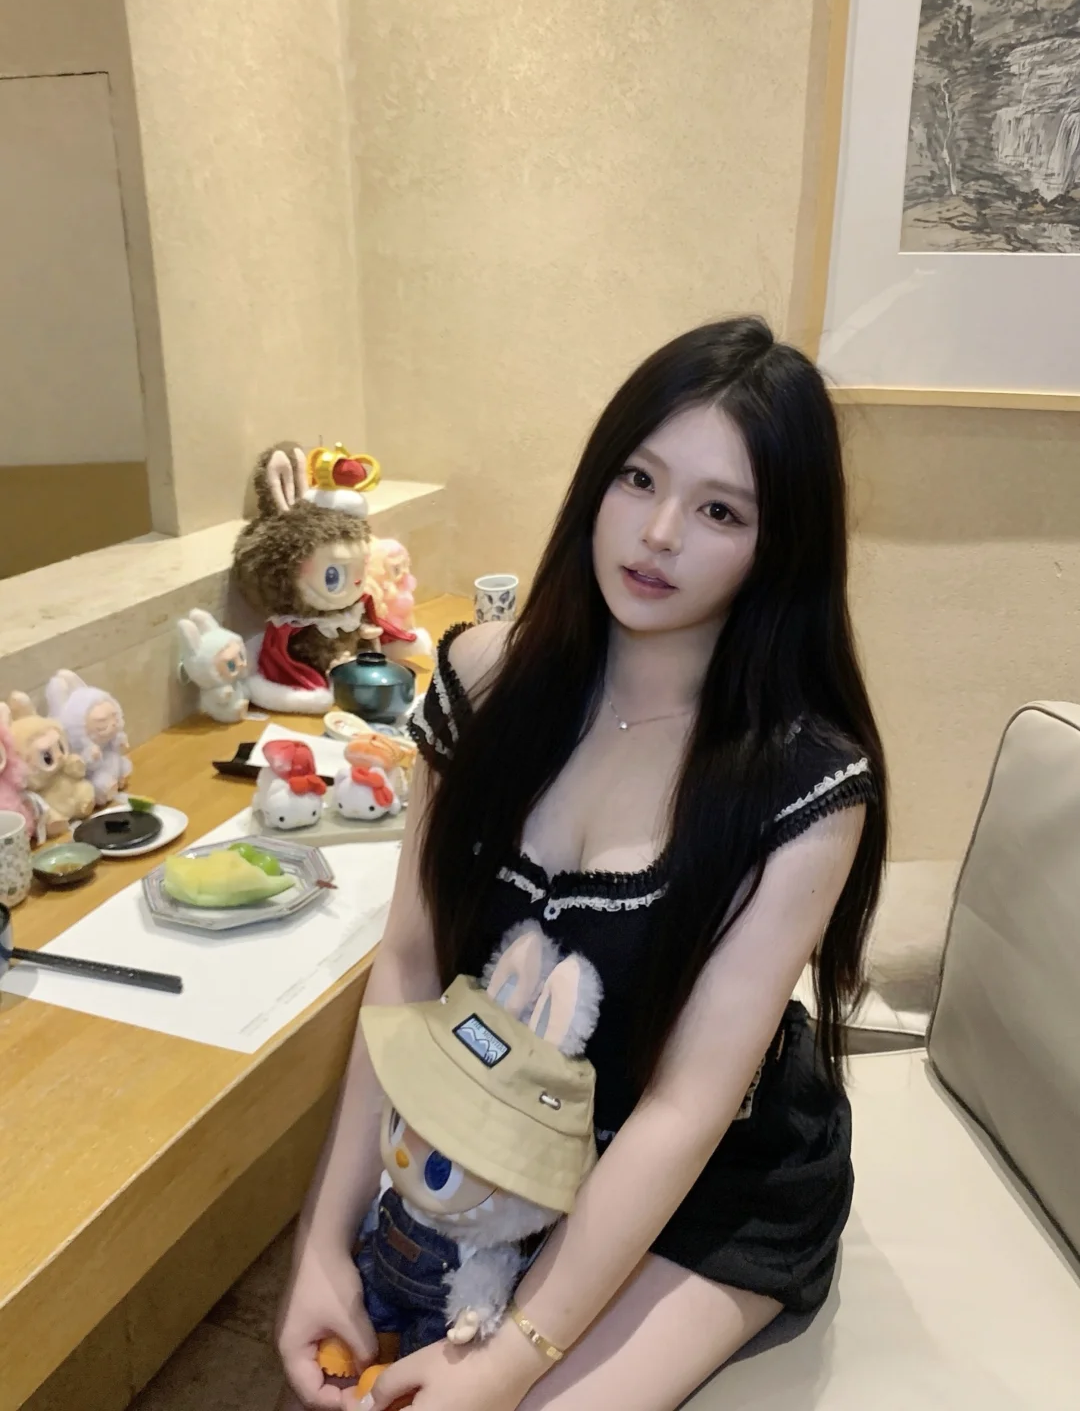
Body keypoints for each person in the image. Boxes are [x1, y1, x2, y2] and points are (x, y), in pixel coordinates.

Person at [275, 317, 887, 1411]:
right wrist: (323, 1240)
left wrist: (514, 1357)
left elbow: (684, 1112)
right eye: (637, 478)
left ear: (777, 544)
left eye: (720, 511)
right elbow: (410, 962)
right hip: (497, 1130)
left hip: (709, 1181)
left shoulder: (804, 784)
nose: (657, 534)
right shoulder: (481, 676)